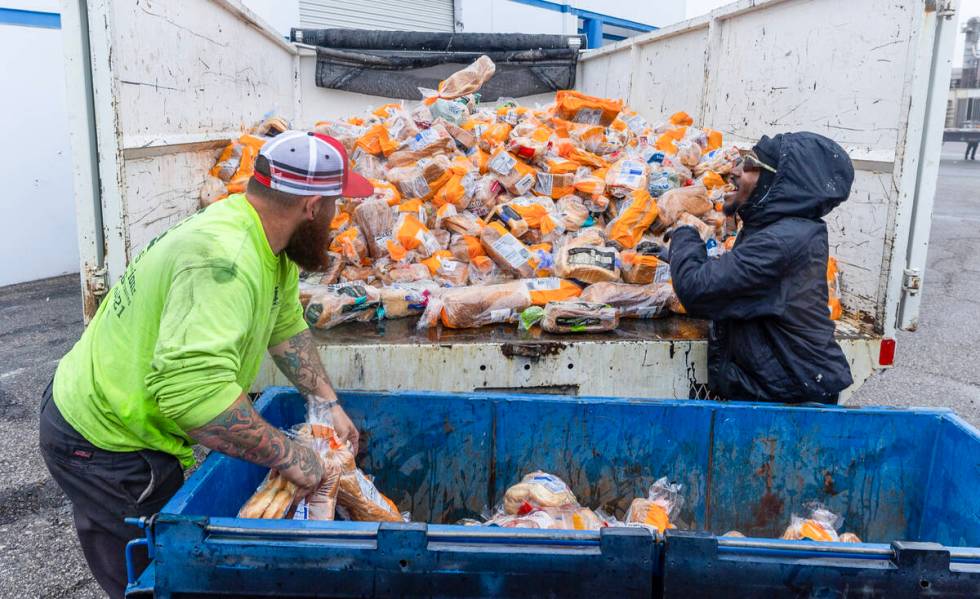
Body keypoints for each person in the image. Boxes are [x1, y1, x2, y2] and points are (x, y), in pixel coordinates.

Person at [39, 130, 374, 598]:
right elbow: (192, 397)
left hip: (135, 422)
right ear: (313, 206)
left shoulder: (265, 241)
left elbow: (285, 324)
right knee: (156, 578)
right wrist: (291, 456)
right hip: (104, 442)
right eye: (337, 206)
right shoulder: (226, 257)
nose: (338, 220)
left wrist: (325, 402)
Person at [668, 132, 854, 404]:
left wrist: (684, 229)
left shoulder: (780, 242)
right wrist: (671, 255)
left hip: (792, 401)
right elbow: (738, 275)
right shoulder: (781, 228)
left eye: (750, 166)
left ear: (777, 182)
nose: (734, 170)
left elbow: (696, 289)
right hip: (780, 387)